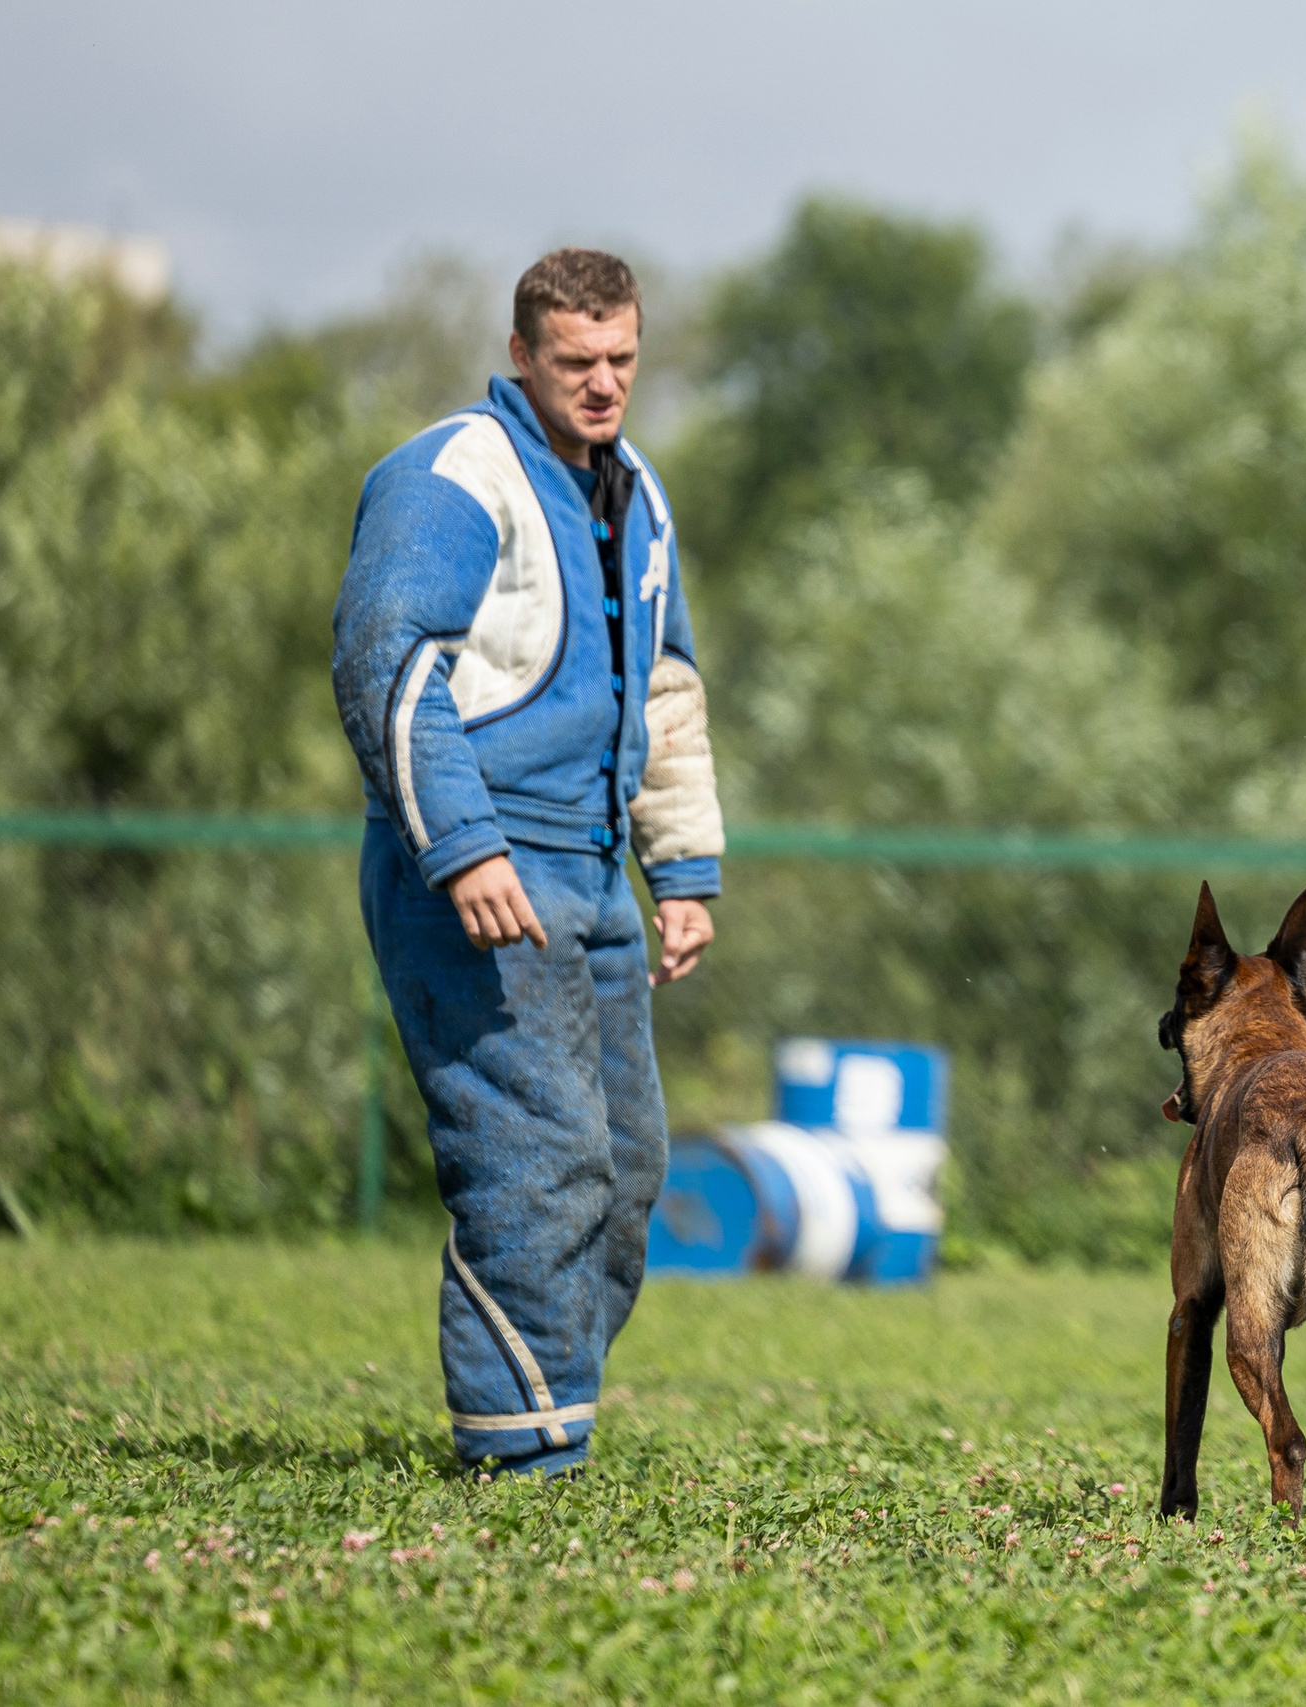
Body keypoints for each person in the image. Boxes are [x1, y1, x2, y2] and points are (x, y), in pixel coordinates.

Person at [331, 248, 724, 1477]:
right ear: (520, 356)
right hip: (482, 867)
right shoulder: (452, 475)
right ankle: (523, 1458)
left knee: (627, 1169)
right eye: (575, 362)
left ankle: (542, 1411)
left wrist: (685, 872)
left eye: (621, 360)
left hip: (595, 871)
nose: (603, 385)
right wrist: (461, 848)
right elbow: (384, 659)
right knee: (538, 1163)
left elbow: (664, 688)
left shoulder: (636, 491)